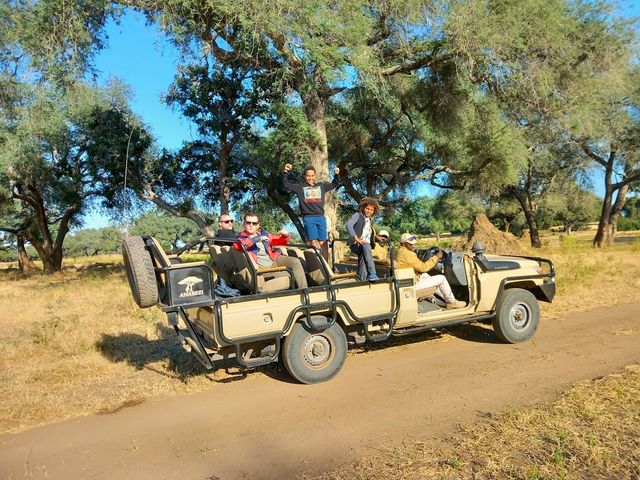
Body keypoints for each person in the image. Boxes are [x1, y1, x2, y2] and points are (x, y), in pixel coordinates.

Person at [233, 213, 308, 289]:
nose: (251, 225)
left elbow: (278, 241)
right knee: (292, 274)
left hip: (273, 261)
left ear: (258, 225)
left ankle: (305, 290)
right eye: (248, 222)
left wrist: (285, 236)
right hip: (263, 270)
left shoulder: (264, 234)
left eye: (254, 223)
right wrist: (256, 239)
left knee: (295, 262)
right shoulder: (241, 238)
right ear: (244, 224)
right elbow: (238, 246)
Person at [394, 233, 465, 309]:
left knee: (426, 276)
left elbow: (414, 265)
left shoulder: (399, 252)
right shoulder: (407, 254)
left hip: (406, 280)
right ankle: (451, 302)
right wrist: (436, 257)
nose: (413, 246)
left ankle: (448, 299)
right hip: (411, 284)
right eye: (410, 244)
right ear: (404, 244)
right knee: (442, 278)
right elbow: (423, 267)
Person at [281, 163, 341, 254]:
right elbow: (285, 184)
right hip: (308, 218)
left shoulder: (321, 186)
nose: (310, 178)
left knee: (322, 242)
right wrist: (285, 172)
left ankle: (322, 263)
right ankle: (317, 263)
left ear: (315, 176)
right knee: (313, 242)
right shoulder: (300, 187)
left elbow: (335, 184)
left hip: (321, 217)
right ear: (305, 176)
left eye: (312, 176)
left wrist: (337, 174)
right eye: (308, 176)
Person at [346, 197, 381, 281]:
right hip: (356, 244)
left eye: (371, 210)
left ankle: (362, 279)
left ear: (374, 211)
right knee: (366, 246)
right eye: (367, 208)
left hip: (364, 245)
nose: (369, 211)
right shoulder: (357, 215)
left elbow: (367, 234)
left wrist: (376, 238)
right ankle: (372, 273)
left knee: (363, 258)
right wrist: (356, 238)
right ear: (363, 207)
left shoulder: (370, 220)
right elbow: (348, 225)